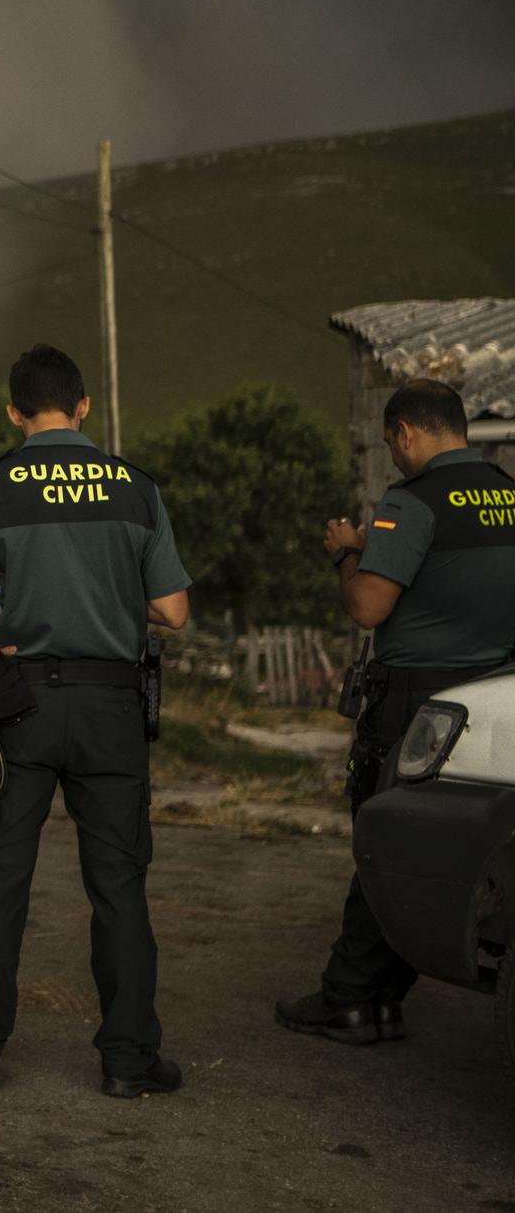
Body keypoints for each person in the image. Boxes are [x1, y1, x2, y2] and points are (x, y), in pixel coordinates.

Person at [0, 344, 191, 1099]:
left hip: (19, 701)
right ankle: (128, 1059)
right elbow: (173, 611)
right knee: (119, 884)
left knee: (2, 878)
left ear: (14, 413)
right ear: (84, 405)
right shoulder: (134, 487)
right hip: (111, 705)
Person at [275, 378, 515, 1045]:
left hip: (416, 699)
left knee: (385, 841)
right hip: (492, 695)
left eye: (391, 444)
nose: (393, 456)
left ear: (406, 431)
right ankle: (376, 995)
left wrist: (349, 551)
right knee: (427, 839)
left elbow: (367, 607)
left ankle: (350, 994)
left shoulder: (411, 503)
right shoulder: (508, 495)